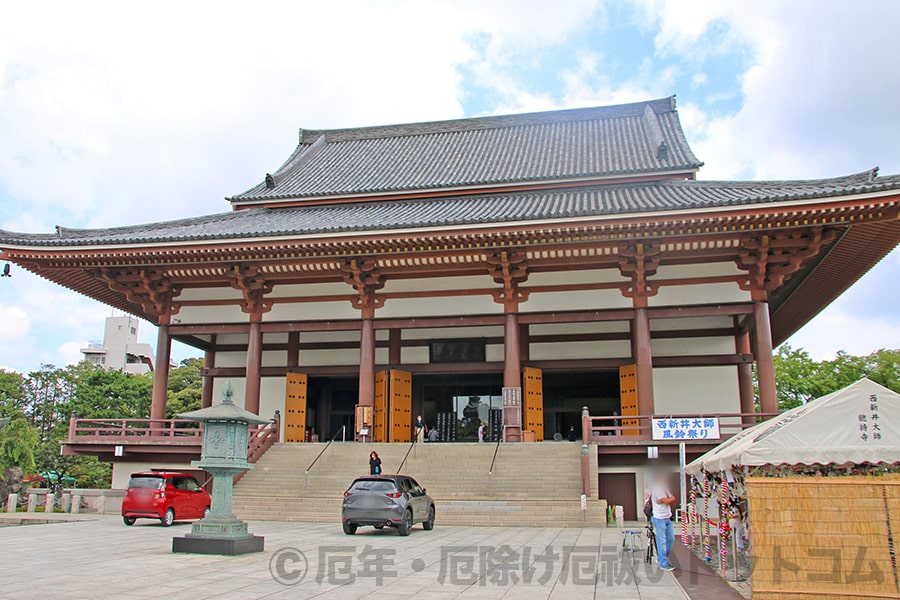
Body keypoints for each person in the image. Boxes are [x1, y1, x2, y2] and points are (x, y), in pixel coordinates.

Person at [650, 471, 678, 572]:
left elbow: (672, 498)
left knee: (670, 539)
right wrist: (668, 499)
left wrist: (668, 499)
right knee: (661, 541)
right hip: (659, 517)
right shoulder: (657, 488)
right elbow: (667, 500)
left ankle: (661, 557)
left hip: (667, 516)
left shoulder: (665, 488)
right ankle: (663, 562)